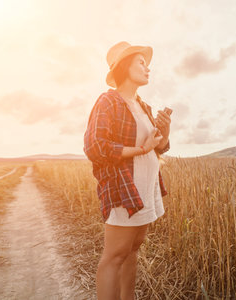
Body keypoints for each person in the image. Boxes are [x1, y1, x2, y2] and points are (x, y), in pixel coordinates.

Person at [83, 41, 172, 300]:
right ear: (124, 66)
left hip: (145, 187)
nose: (148, 68)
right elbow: (95, 146)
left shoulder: (144, 106)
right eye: (141, 62)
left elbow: (158, 148)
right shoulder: (108, 101)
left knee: (133, 250)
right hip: (123, 187)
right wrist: (141, 150)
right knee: (114, 256)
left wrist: (164, 134)